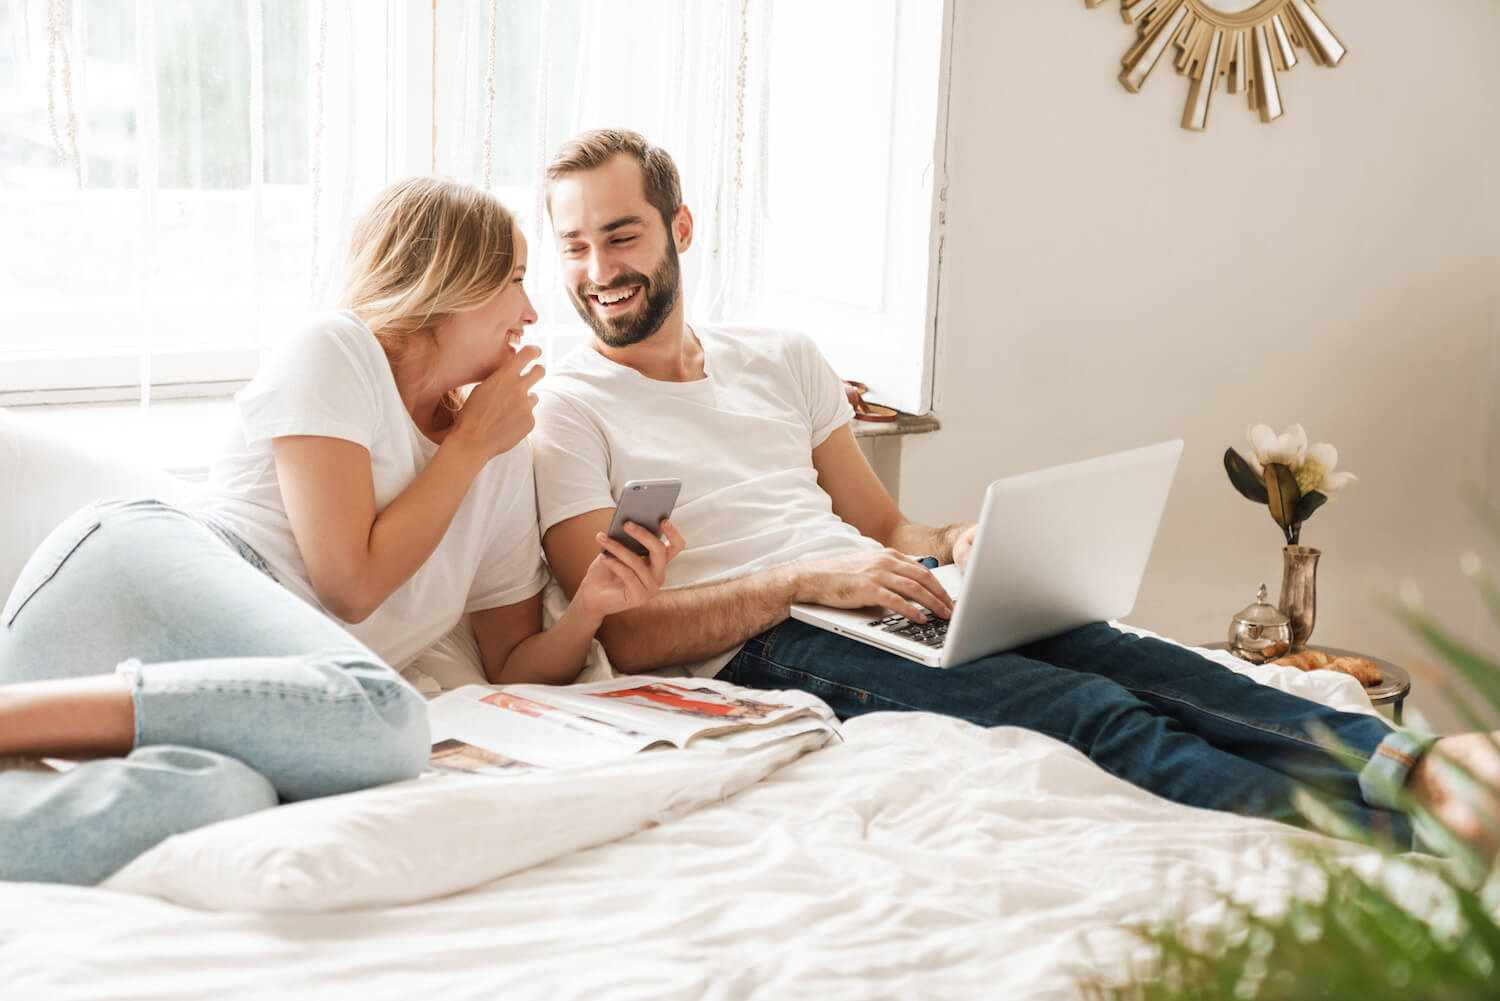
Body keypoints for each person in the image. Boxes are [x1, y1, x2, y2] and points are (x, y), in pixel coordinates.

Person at [528, 128, 1500, 858]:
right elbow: (632, 633)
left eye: (621, 235)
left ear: (680, 227)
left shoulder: (781, 358)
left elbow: (890, 527)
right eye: (574, 247)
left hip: (881, 590)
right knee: (1096, 712)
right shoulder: (574, 412)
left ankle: (1428, 769)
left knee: (1141, 663)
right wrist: (804, 581)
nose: (599, 271)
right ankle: (1391, 844)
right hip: (764, 643)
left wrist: (957, 543)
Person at [0, 175, 678, 886]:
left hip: (218, 695)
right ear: (452, 279)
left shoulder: (499, 449)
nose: (532, 310)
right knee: (386, 721)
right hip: (135, 579)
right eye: (513, 279)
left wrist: (591, 608)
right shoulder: (334, 350)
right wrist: (468, 446)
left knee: (227, 796)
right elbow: (349, 584)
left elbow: (509, 666)